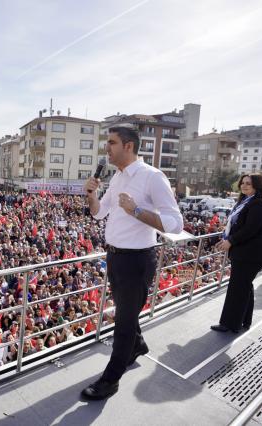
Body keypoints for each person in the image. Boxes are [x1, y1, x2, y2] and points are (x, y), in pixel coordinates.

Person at [82, 124, 183, 400]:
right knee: (127, 313)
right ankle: (137, 346)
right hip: (114, 257)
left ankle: (110, 379)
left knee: (123, 321)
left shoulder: (153, 177)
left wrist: (137, 211)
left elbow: (175, 224)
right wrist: (91, 196)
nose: (106, 148)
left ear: (128, 146)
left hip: (137, 260)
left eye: (111, 143)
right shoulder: (117, 178)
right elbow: (100, 214)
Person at [212, 174, 262, 333]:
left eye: (249, 184)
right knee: (244, 285)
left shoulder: (258, 204)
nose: (244, 186)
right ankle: (244, 321)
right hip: (248, 251)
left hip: (252, 253)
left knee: (238, 287)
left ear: (258, 186)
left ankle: (230, 324)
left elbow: (250, 229)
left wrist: (230, 241)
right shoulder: (247, 202)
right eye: (243, 183)